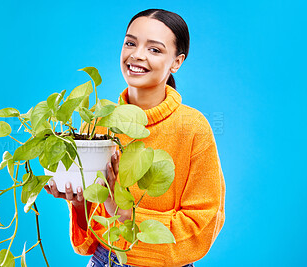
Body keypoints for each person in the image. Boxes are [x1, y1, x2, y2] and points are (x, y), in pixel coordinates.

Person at [45, 8, 225, 267]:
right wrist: (80, 201)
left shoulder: (193, 127)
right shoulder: (98, 122)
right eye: (130, 43)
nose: (137, 55)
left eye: (155, 49)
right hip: (103, 260)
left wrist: (126, 213)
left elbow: (203, 223)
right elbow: (93, 229)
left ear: (177, 61)